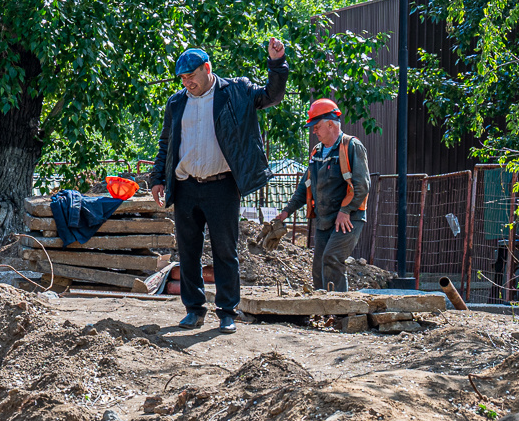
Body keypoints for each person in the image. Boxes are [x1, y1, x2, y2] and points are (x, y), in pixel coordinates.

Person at [147, 39, 291, 333]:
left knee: (225, 250)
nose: (187, 83)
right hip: (186, 187)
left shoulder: (235, 91)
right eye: (183, 79)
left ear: (207, 69)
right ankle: (194, 310)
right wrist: (157, 178)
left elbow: (271, 96)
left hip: (222, 187)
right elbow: (167, 144)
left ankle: (227, 311)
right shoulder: (176, 103)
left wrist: (277, 65)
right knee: (188, 251)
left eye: (192, 77)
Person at [279, 98, 371, 292]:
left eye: (316, 126)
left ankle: (340, 314)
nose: (314, 131)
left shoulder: (351, 146)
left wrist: (345, 210)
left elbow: (362, 185)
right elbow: (306, 186)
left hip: (349, 217)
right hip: (325, 219)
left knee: (332, 258)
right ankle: (323, 310)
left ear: (330, 124)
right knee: (319, 266)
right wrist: (286, 212)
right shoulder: (316, 153)